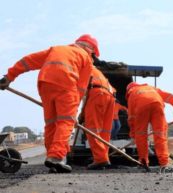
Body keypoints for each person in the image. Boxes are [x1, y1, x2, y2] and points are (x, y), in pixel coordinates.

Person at [0, 34, 99, 173]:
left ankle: (52, 159)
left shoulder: (57, 49)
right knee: (65, 122)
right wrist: (73, 113)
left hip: (45, 83)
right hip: (67, 85)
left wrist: (9, 77)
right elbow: (81, 88)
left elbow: (28, 61)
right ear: (91, 49)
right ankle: (57, 157)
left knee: (51, 123)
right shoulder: (86, 59)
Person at [126, 82, 173, 168]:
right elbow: (171, 97)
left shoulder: (132, 94)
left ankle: (143, 162)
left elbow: (131, 117)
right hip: (157, 105)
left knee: (141, 136)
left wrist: (133, 134)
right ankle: (164, 163)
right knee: (160, 134)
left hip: (141, 108)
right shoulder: (152, 88)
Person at [83, 66, 115, 170]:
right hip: (109, 96)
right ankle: (103, 158)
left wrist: (78, 114)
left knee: (91, 128)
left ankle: (101, 159)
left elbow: (82, 93)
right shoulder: (97, 72)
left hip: (96, 94)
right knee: (104, 131)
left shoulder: (82, 67)